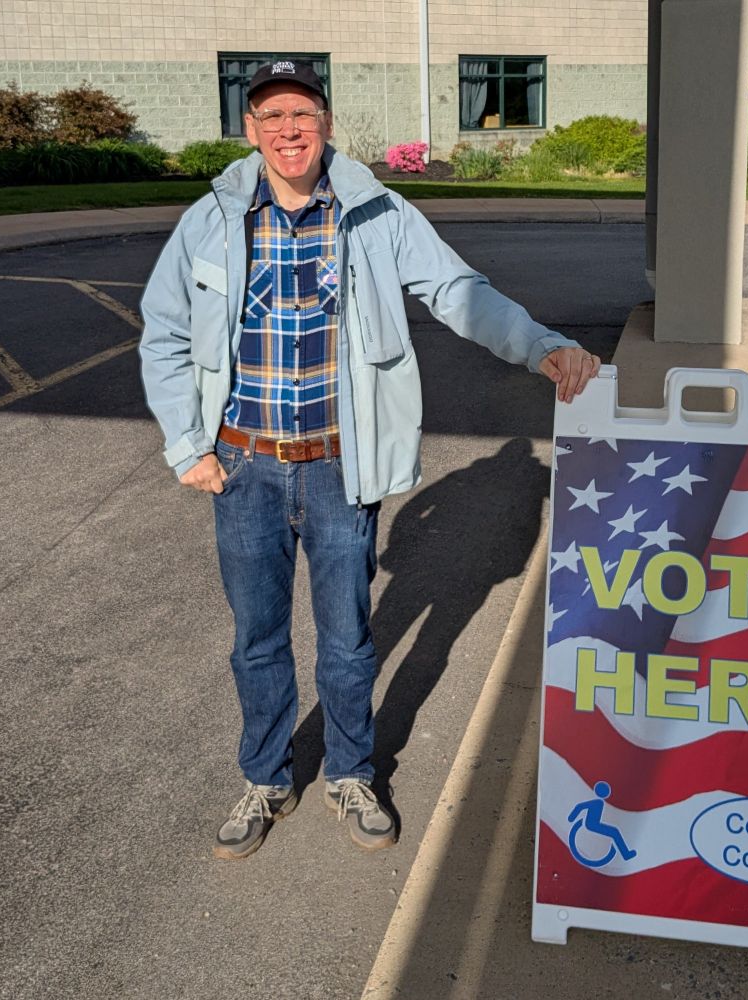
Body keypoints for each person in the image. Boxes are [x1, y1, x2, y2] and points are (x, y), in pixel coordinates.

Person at [139, 60, 602, 860]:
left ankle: (351, 771)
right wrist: (188, 447)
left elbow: (458, 291)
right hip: (242, 466)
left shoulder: (376, 211)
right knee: (257, 637)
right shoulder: (210, 220)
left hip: (337, 466)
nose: (288, 130)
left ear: (325, 124)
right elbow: (164, 334)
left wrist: (542, 348)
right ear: (250, 130)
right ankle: (267, 777)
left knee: (349, 637)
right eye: (271, 116)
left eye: (302, 114)